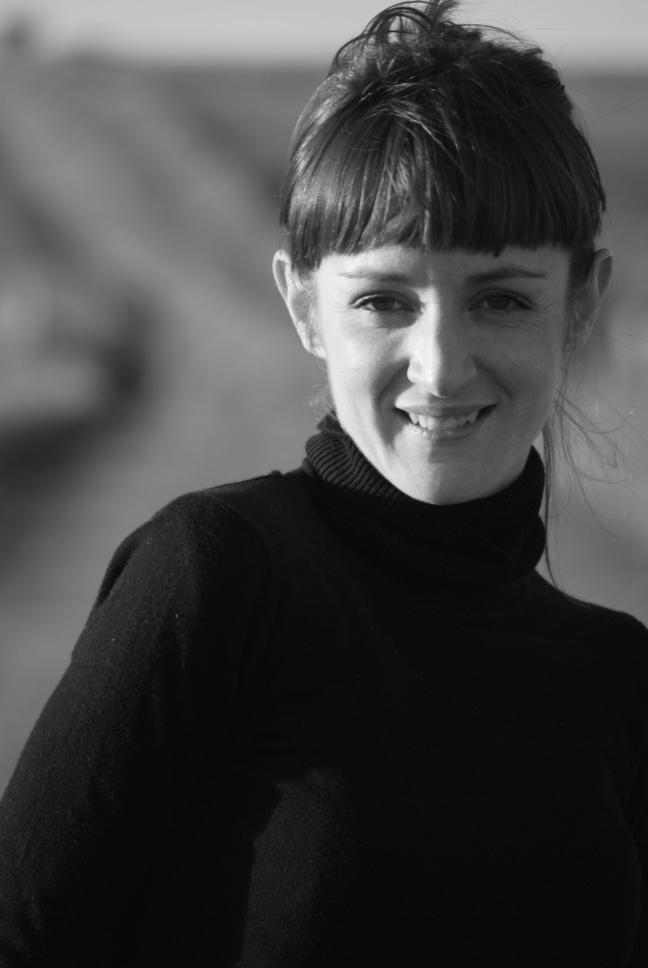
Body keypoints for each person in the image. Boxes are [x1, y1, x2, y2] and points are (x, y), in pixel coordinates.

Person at [0, 2, 646, 965]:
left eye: (503, 298)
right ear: (304, 304)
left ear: (582, 304)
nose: (441, 366)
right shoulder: (217, 577)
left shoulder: (617, 677)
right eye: (384, 300)